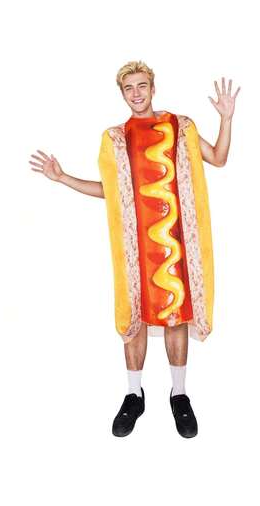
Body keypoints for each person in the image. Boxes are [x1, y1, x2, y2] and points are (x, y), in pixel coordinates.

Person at [29, 60, 240, 438]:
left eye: (142, 86)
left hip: (176, 241)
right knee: (134, 317)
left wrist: (226, 119)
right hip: (134, 245)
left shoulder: (180, 127)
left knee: (176, 314)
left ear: (153, 88)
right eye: (129, 88)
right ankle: (133, 395)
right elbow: (110, 192)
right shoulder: (115, 139)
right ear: (123, 94)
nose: (137, 93)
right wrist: (62, 178)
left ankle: (179, 395)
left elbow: (219, 159)